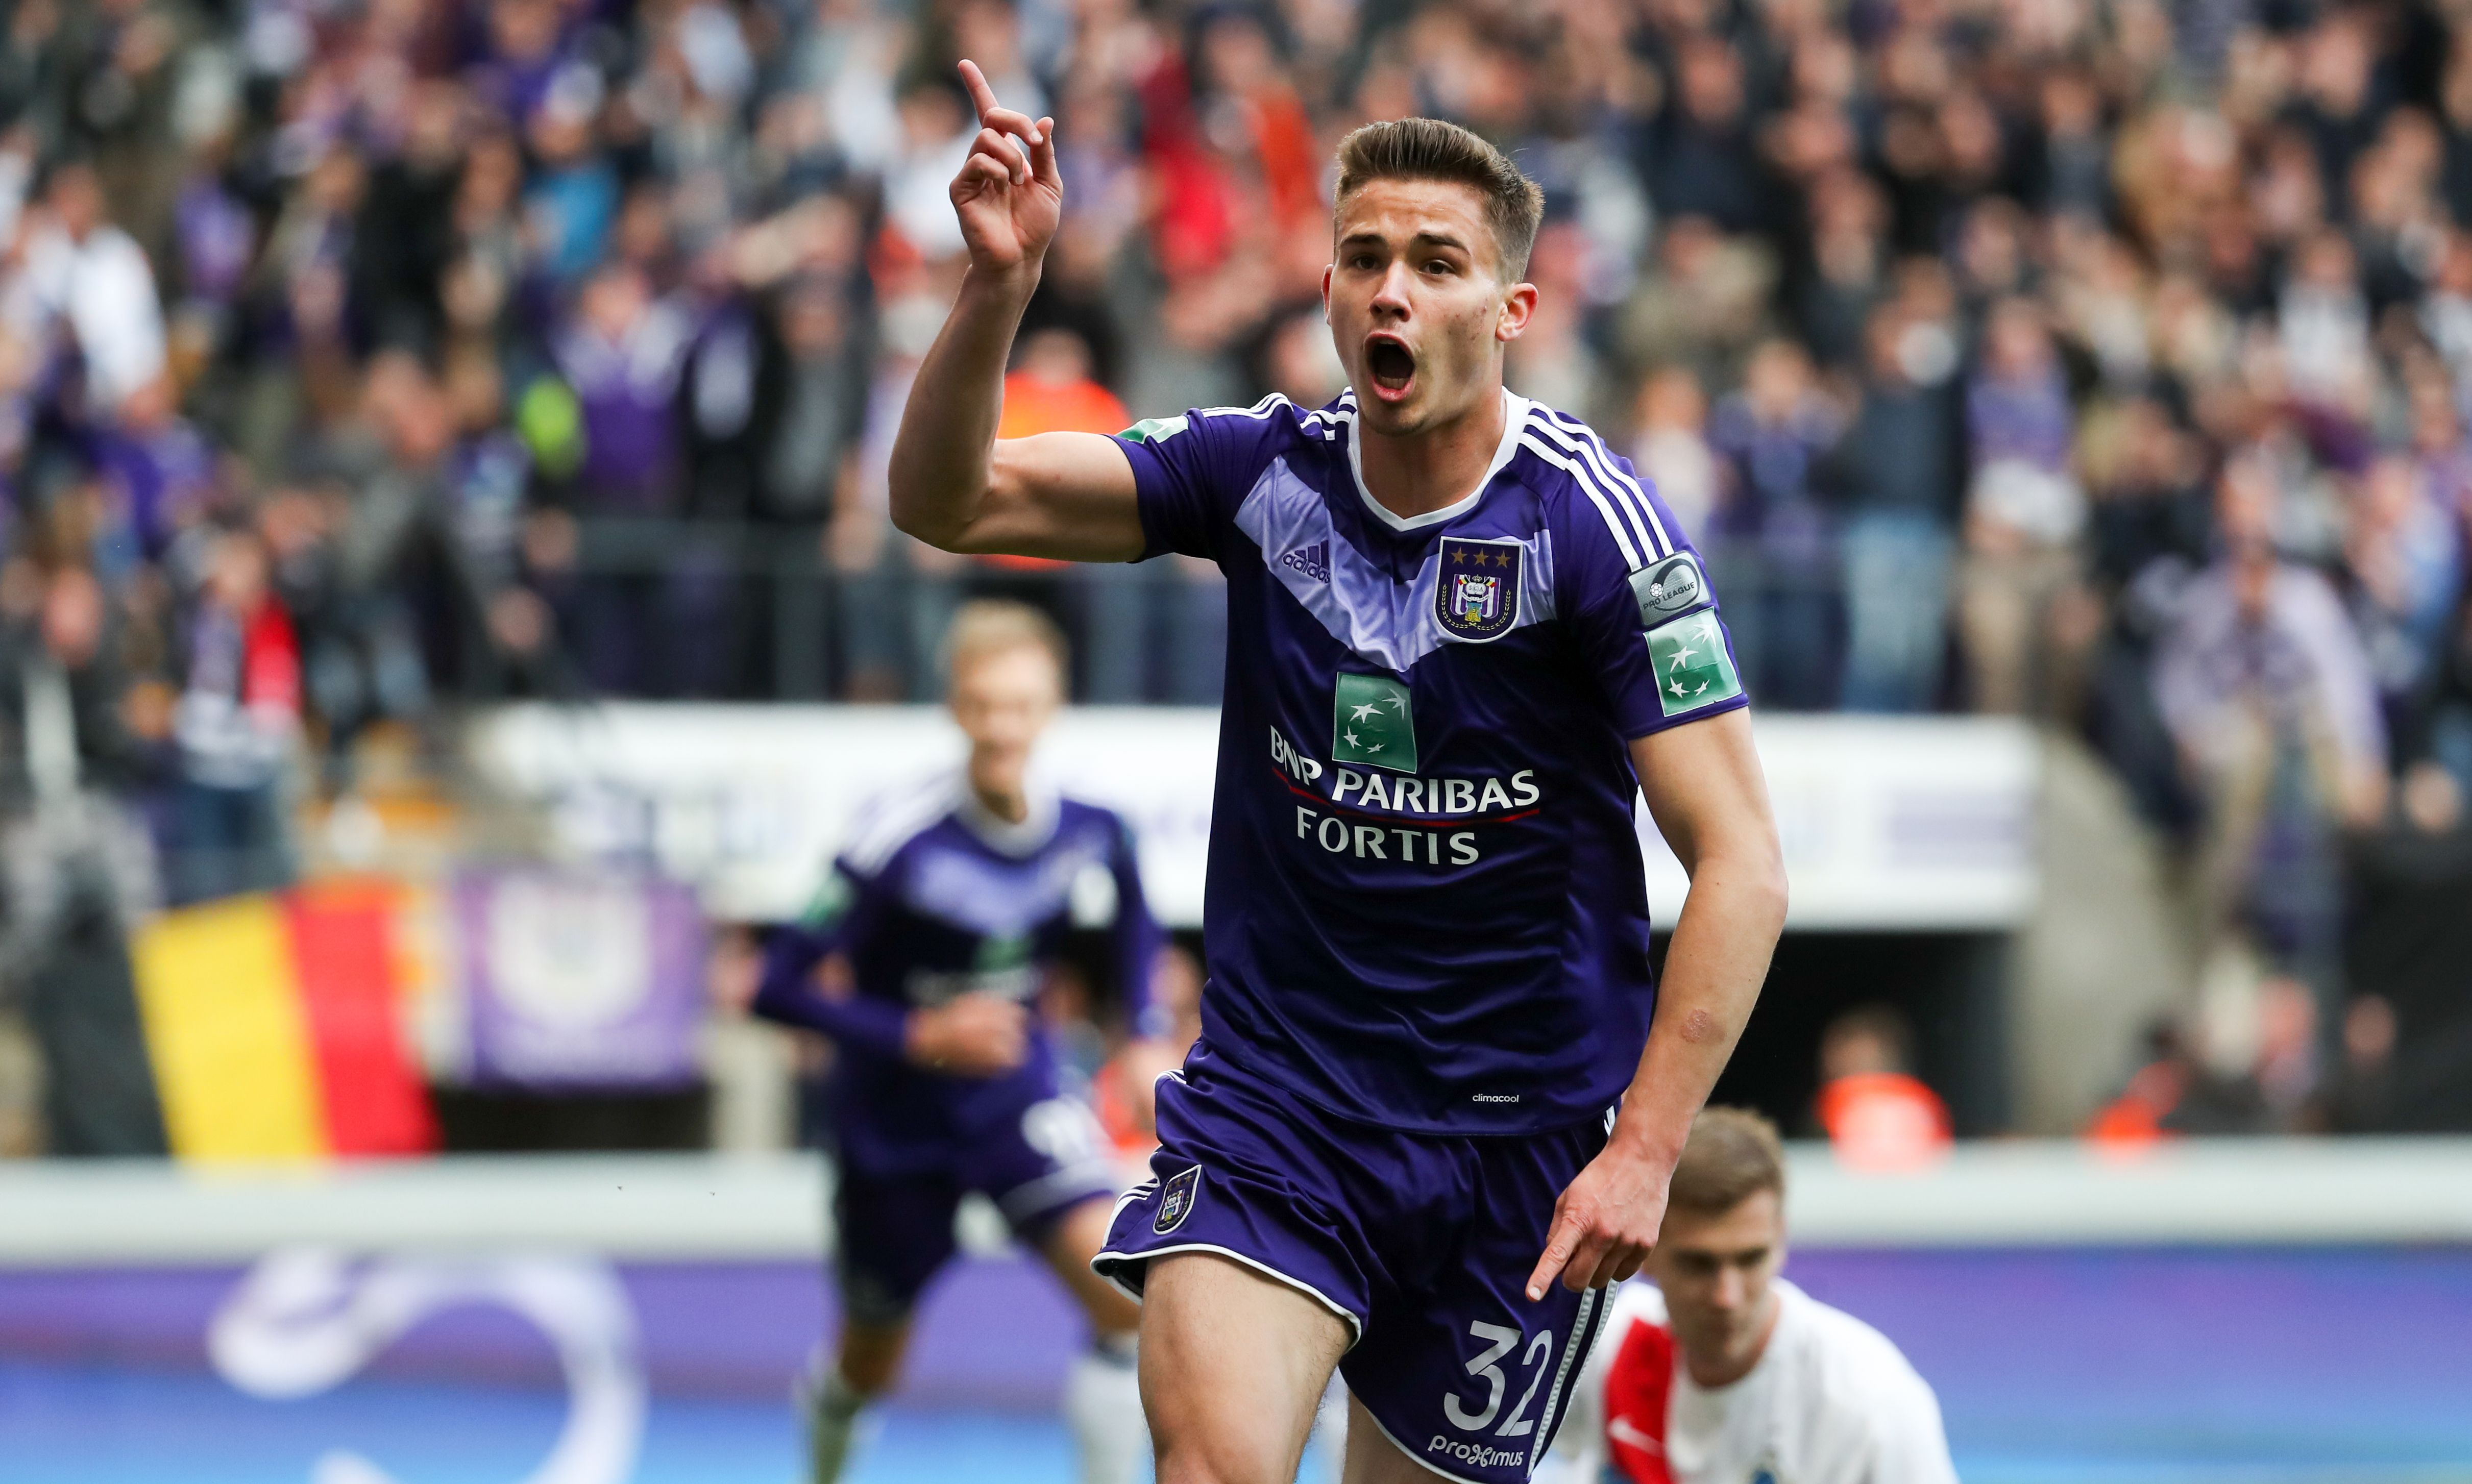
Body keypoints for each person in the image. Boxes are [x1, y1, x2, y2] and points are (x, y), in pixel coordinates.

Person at [888, 67, 1788, 1484]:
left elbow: (1740, 860)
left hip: (1521, 1148)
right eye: (1363, 257)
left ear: (1511, 312)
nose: (1391, 290)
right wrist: (997, 288)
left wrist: (1647, 1150)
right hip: (1279, 1104)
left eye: (1437, 263)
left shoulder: (1596, 529)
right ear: (1325, 289)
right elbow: (948, 502)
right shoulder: (1256, 474)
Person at [749, 599, 1163, 1484]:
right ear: (953, 708)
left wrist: (1143, 1032)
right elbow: (774, 985)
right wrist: (918, 1031)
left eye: (1020, 705)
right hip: (892, 1122)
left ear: (1051, 707)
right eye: (982, 705)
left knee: (1123, 1297)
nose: (1001, 727)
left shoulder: (1090, 824)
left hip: (1015, 1097)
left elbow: (1135, 911)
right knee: (870, 1362)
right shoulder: (893, 839)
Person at [1543, 1109, 1957, 1484]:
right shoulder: (1596, 1347)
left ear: (1781, 1238)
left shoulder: (1871, 1399)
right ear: (1642, 1252)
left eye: (1750, 1259)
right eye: (1698, 1264)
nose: (1727, 1296)